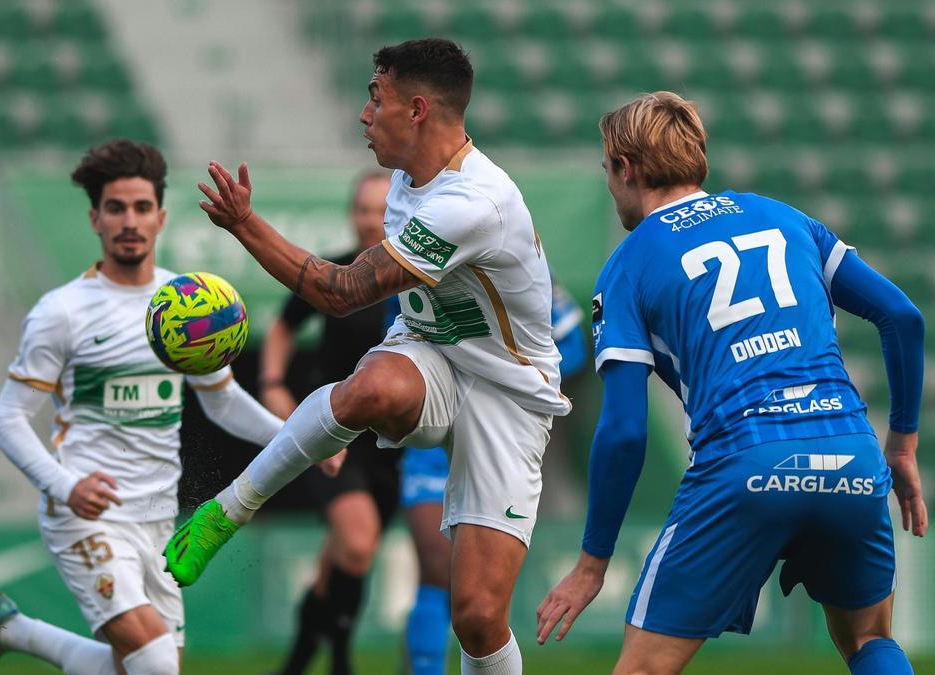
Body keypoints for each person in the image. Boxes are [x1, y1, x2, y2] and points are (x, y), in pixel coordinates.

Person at [165, 38, 571, 675]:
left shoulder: (472, 203)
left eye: (375, 98)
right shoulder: (408, 178)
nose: (364, 114)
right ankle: (226, 511)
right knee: (369, 388)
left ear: (417, 110)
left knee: (477, 616)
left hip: (509, 394)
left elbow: (342, 291)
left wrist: (246, 225)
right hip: (430, 351)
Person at [537, 92, 927, 675]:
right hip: (848, 449)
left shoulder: (627, 264)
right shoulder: (785, 218)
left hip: (745, 460)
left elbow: (624, 430)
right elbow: (902, 316)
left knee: (643, 667)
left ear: (627, 167)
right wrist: (903, 447)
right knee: (870, 640)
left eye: (607, 170)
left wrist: (593, 564)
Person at [0, 140, 284, 675]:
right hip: (87, 514)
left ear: (161, 217)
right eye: (116, 208)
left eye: (141, 207)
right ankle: (15, 630)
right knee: (155, 664)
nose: (129, 221)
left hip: (159, 518)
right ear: (95, 219)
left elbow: (221, 401)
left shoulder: (185, 304)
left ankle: (12, 630)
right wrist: (65, 486)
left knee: (144, 669)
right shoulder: (62, 312)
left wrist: (294, 440)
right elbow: (6, 419)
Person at [400, 276, 587, 675]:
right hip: (431, 439)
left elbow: (573, 343)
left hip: (493, 435)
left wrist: (514, 372)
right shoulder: (409, 259)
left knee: (479, 606)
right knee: (435, 565)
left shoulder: (519, 264)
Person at [260, 171, 395, 675]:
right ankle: (340, 662)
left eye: (381, 211)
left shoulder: (416, 279)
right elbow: (283, 326)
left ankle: (296, 662)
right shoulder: (334, 273)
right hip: (334, 433)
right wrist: (272, 383)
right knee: (357, 544)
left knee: (341, 560)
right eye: (363, 209)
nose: (371, 221)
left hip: (394, 442)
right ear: (351, 214)